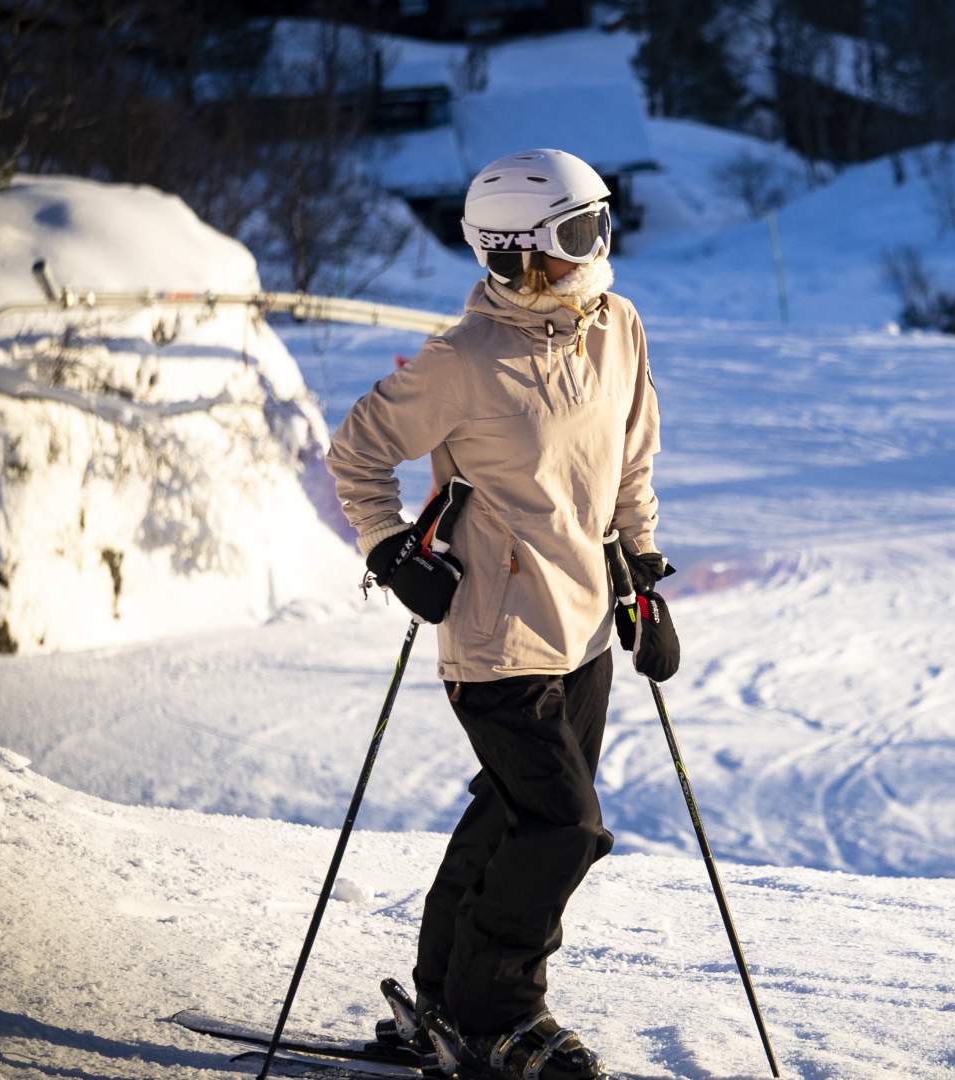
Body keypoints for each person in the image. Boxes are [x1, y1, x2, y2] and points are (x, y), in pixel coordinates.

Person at [327, 148, 681, 1080]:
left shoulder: (618, 327)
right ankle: (498, 1013)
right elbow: (355, 454)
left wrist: (641, 573)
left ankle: (439, 999)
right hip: (495, 635)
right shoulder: (460, 362)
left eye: (600, 223)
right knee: (563, 827)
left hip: (588, 626)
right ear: (516, 253)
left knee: (508, 813)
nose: (595, 249)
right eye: (575, 234)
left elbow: (630, 466)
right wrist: (388, 549)